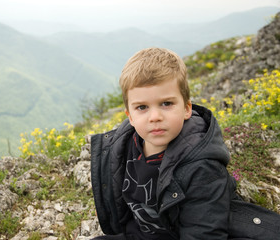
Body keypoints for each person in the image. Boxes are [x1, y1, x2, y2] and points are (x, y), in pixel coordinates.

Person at [90, 47, 280, 240]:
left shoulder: (202, 166)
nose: (155, 117)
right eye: (142, 107)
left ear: (187, 108)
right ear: (130, 116)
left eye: (166, 104)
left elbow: (203, 233)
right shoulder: (122, 147)